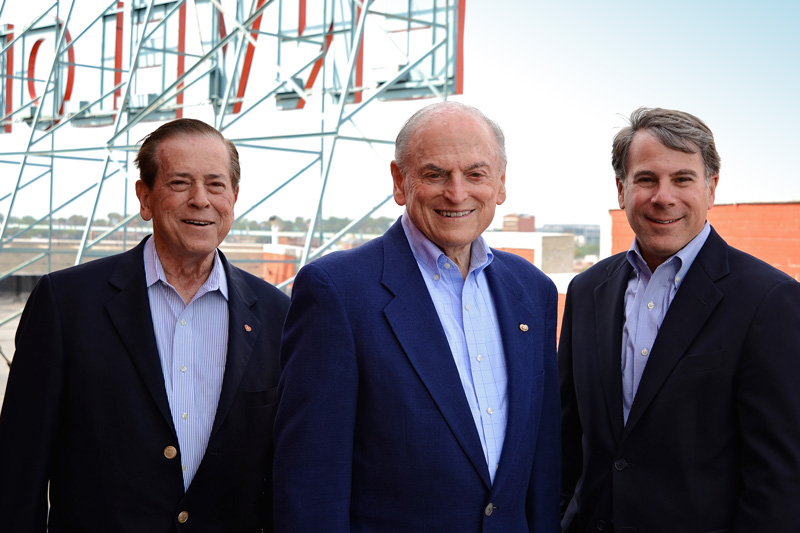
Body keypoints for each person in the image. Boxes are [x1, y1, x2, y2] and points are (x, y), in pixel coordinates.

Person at [273, 101, 561, 531]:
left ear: (501, 183)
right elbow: (311, 480)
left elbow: (542, 465)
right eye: (435, 174)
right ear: (400, 181)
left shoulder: (533, 290)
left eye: (476, 174)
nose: (457, 192)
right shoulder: (336, 291)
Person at [0, 118, 290, 532]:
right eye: (179, 183)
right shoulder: (66, 304)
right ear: (145, 198)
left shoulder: (279, 315)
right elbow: (18, 470)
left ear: (234, 197)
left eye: (215, 184)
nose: (200, 200)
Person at [559, 107, 800, 532]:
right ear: (621, 188)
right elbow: (567, 441)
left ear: (711, 189)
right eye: (646, 179)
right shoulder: (586, 291)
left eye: (683, 179)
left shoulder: (769, 301)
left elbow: (779, 477)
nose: (663, 196)